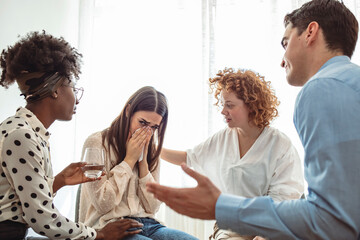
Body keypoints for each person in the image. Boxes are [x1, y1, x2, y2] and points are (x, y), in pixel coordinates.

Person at [147, 0, 360, 239]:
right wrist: (154, 147)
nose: (282, 60)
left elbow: (331, 219)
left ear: (310, 32)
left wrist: (220, 207)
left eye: (285, 43)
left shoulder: (321, 89)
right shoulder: (350, 82)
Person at [0, 31, 143, 240]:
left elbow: (18, 197)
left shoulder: (27, 131)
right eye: (73, 87)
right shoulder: (22, 136)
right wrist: (98, 234)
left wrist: (59, 181)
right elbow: (44, 220)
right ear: (56, 90)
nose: (76, 97)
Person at [160, 68, 304, 240]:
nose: (223, 111)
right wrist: (154, 150)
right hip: (233, 226)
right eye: (222, 105)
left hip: (273, 223)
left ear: (251, 106)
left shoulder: (280, 145)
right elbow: (189, 157)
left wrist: (265, 235)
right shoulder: (223, 138)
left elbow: (285, 197)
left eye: (230, 105)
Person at [79, 86, 198, 240]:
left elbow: (153, 207)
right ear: (128, 111)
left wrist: (143, 166)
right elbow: (103, 203)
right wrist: (129, 161)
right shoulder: (97, 142)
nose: (147, 131)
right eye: (142, 122)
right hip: (109, 226)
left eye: (154, 127)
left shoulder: (151, 149)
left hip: (150, 225)